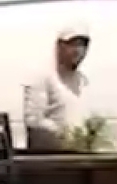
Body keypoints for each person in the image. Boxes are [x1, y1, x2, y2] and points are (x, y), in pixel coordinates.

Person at [21, 23, 97, 152]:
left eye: (83, 45)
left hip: (79, 155)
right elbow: (34, 121)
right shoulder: (43, 77)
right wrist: (64, 133)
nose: (78, 50)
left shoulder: (82, 81)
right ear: (59, 46)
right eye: (73, 44)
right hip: (50, 159)